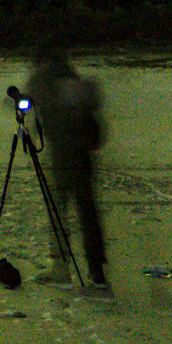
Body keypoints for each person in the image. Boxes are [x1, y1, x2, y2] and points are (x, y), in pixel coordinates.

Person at [25, 44, 109, 292]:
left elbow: (31, 103)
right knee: (87, 210)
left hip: (63, 151)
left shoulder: (42, 77)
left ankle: (61, 269)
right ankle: (97, 269)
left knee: (58, 209)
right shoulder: (72, 76)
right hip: (83, 152)